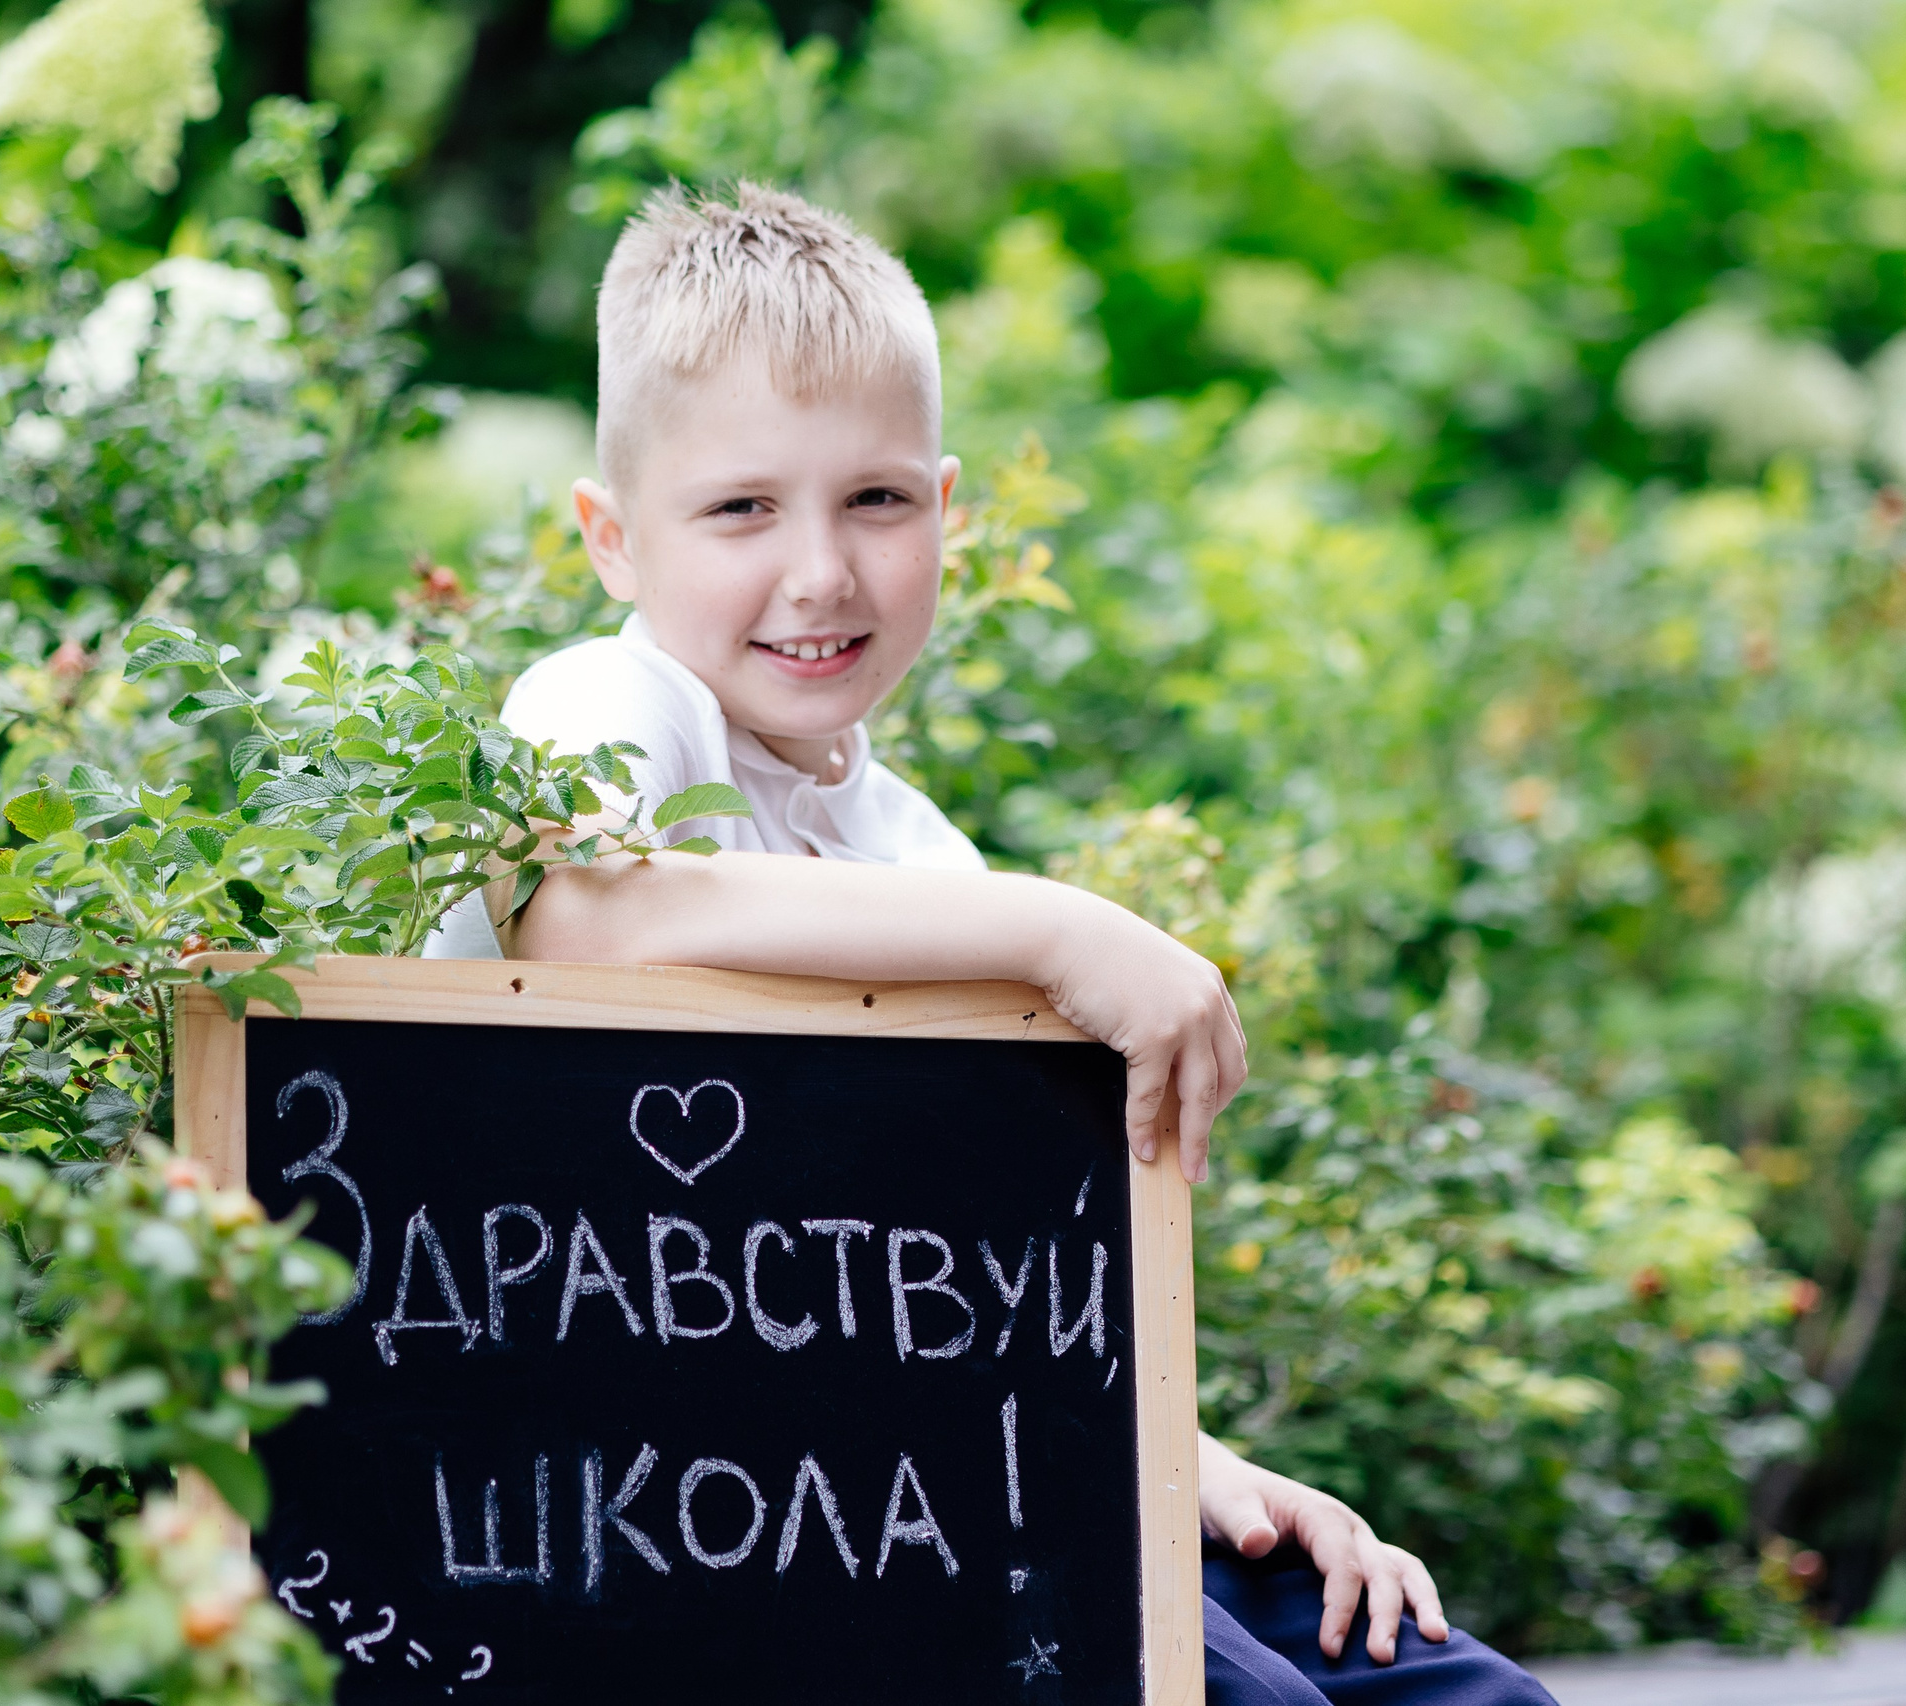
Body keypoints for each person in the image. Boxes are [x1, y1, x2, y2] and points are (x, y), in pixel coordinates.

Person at [425, 180, 1555, 1706]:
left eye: (876, 501)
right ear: (613, 538)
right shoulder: (604, 705)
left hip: (950, 1476)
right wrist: (1057, 924)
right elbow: (600, 916)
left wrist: (1197, 1460)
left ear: (945, 513)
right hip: (675, 1509)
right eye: (742, 508)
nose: (820, 571)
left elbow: (986, 1281)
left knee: (1458, 1692)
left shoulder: (906, 848)